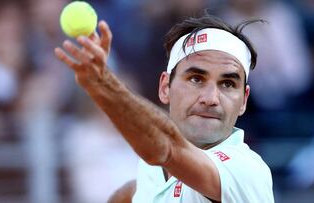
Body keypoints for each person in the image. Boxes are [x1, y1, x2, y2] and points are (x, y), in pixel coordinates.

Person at [54, 14, 274, 203]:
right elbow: (134, 191)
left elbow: (165, 146)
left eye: (227, 84)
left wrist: (103, 84)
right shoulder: (152, 171)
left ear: (243, 100)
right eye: (196, 79)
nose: (211, 98)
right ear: (165, 87)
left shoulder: (248, 170)